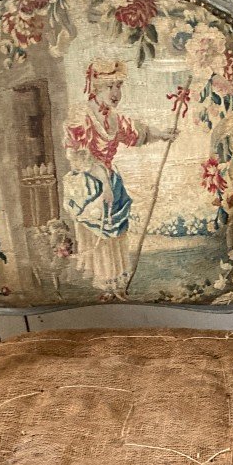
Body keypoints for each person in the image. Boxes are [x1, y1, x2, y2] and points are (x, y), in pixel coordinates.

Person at [61, 59, 175, 294]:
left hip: (110, 181)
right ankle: (101, 286)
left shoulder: (113, 118)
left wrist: (163, 134)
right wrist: (103, 184)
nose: (116, 93)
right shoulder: (80, 116)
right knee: (98, 235)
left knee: (116, 234)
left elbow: (136, 131)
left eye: (119, 86)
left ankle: (116, 284)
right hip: (89, 182)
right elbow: (78, 156)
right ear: (95, 88)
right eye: (109, 87)